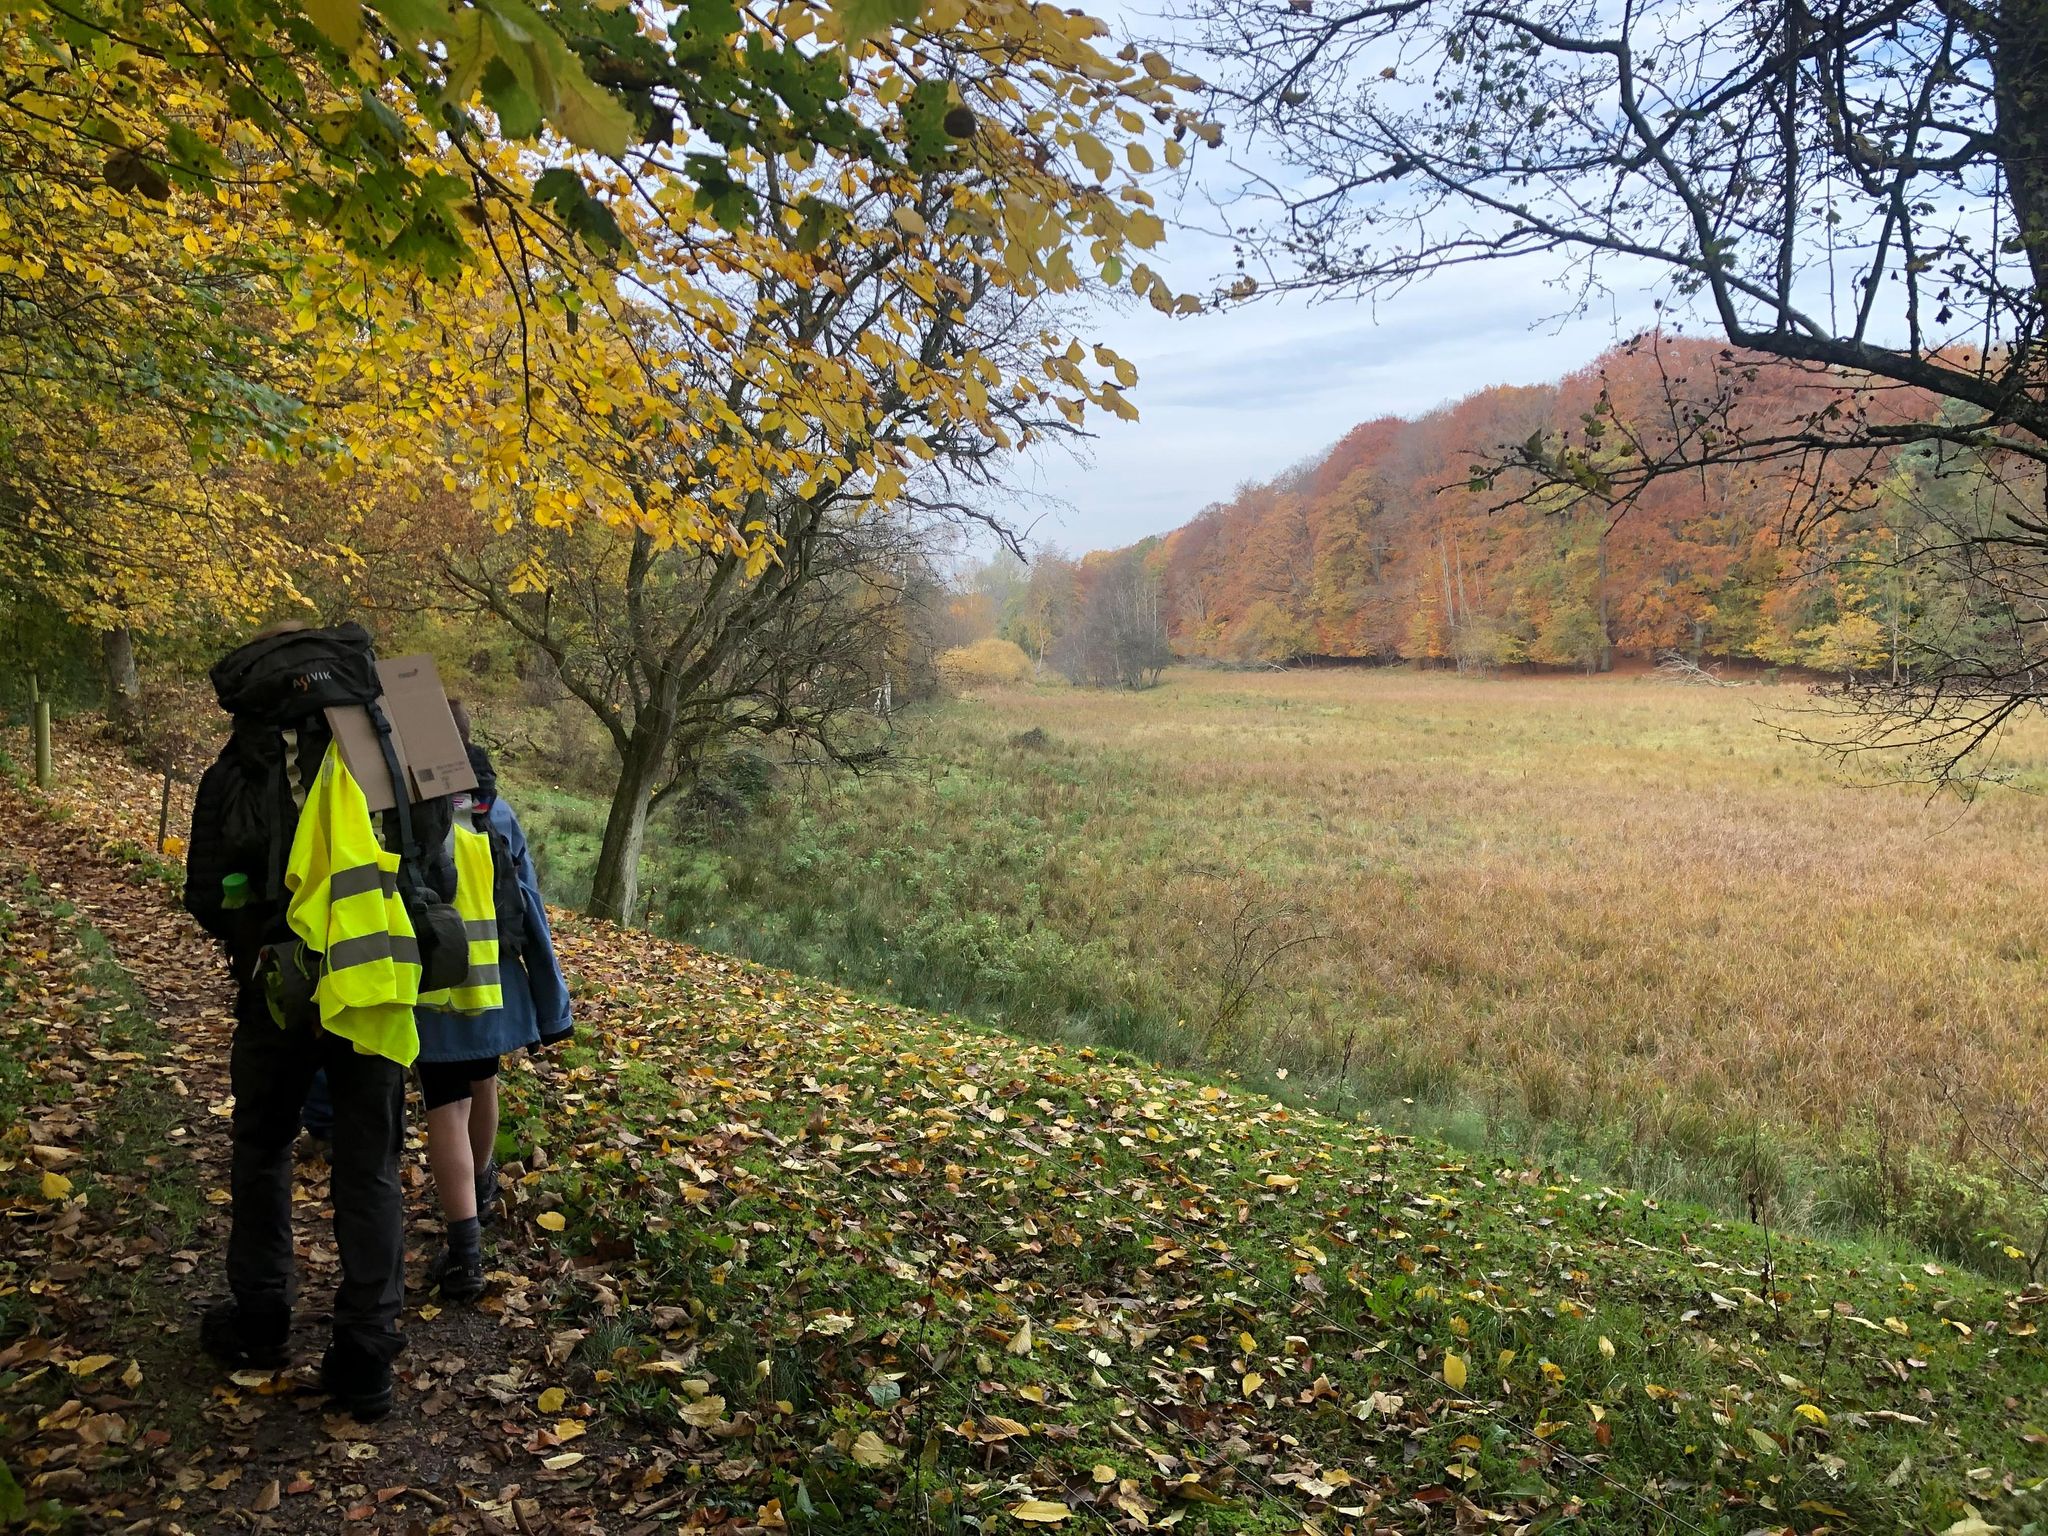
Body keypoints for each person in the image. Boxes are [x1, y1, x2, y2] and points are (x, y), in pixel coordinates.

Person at [184, 622, 431, 1423]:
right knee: (371, 1164)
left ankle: (260, 1321)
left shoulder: (238, 760)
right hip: (375, 980)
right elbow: (437, 856)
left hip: (272, 986)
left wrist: (259, 939)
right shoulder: (396, 736)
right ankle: (366, 1358)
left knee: (262, 1148)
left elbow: (201, 893)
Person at [412, 703, 572, 1300]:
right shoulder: (493, 805)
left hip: (437, 982)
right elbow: (527, 894)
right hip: (496, 980)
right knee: (485, 1083)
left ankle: (464, 1251)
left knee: (444, 1105)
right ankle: (480, 1192)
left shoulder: (409, 814)